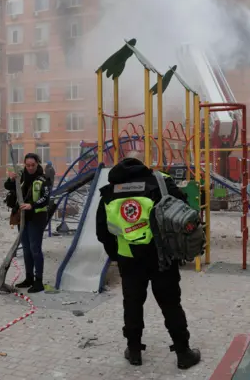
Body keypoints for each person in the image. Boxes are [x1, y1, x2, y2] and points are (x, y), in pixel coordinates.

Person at [95, 151, 201, 369]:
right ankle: (183, 353)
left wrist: (116, 254)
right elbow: (184, 210)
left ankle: (134, 352)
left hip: (129, 258)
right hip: (162, 256)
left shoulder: (108, 193)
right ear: (142, 166)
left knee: (132, 304)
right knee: (171, 304)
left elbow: (102, 231)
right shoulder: (160, 181)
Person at [5, 153, 51, 293]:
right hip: (22, 217)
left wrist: (32, 205)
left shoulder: (43, 179)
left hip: (37, 217)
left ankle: (39, 281)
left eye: (33, 165)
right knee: (26, 249)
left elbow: (46, 197)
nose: (30, 168)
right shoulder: (21, 176)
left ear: (38, 164)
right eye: (28, 165)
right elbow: (8, 186)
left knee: (34, 248)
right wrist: (11, 179)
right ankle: (29, 278)